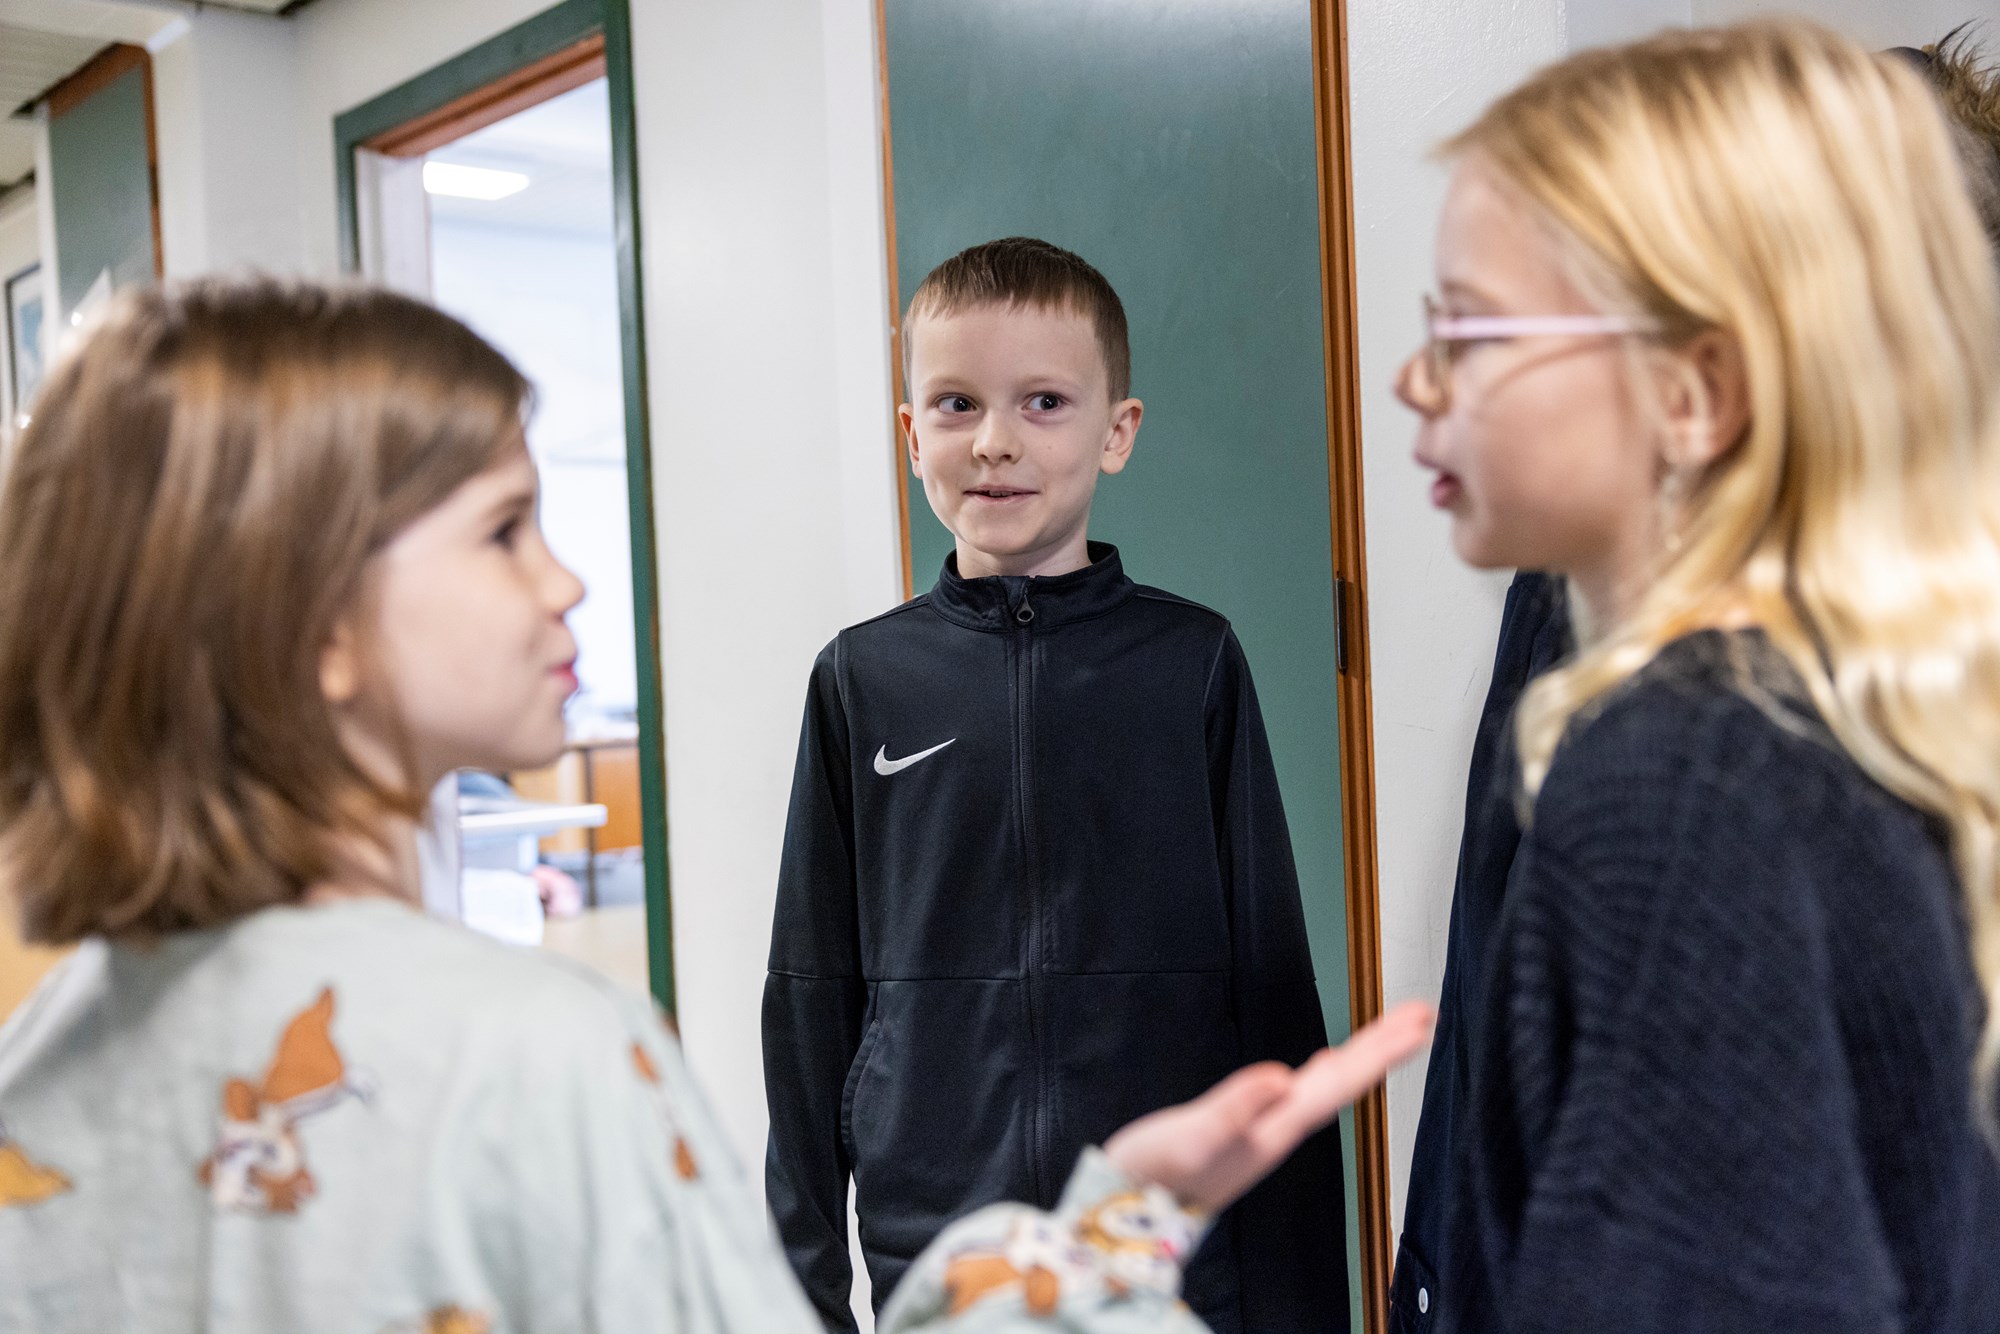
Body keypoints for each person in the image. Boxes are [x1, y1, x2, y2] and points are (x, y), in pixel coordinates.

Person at [0, 278, 1432, 1333]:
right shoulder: (542, 1057)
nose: (567, 579)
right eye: (504, 527)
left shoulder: (43, 1055)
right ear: (312, 615)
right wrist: (1112, 1231)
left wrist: (1121, 1217)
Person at [1391, 19, 2000, 1332]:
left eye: (1476, 328)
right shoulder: (1833, 703)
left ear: (1696, 390)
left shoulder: (1682, 785)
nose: (1412, 379)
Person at [763, 238, 1348, 1332]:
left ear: (1115, 431)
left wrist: (1302, 1304)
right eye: (956, 404)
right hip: (941, 1248)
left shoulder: (1193, 663)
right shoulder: (861, 679)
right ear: (911, 434)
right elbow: (808, 995)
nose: (995, 441)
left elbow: (1272, 987)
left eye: (1043, 402)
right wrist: (806, 1298)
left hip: (1162, 1246)